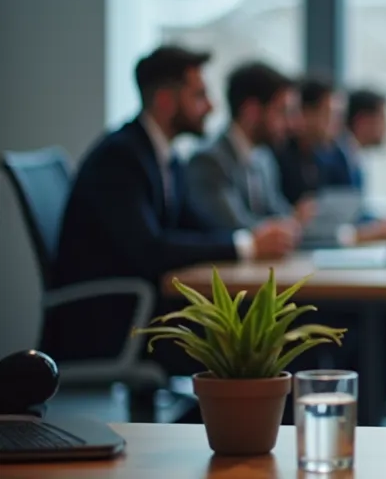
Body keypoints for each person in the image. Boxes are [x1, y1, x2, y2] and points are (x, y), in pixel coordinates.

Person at [48, 46, 297, 364]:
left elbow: (197, 225)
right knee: (262, 339)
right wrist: (245, 246)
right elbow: (150, 250)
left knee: (268, 328)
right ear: (165, 101)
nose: (211, 106)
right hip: (111, 320)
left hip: (147, 309)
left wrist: (249, 240)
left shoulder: (166, 156)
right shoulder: (121, 157)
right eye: (199, 95)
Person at [187, 61, 312, 231]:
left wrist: (297, 218)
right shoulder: (209, 161)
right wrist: (290, 223)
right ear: (251, 112)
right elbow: (234, 226)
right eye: (283, 111)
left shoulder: (264, 158)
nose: (293, 124)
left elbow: (277, 213)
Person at [276, 75, 344, 205]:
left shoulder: (320, 159)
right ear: (304, 113)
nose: (337, 124)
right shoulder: (278, 155)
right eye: (329, 115)